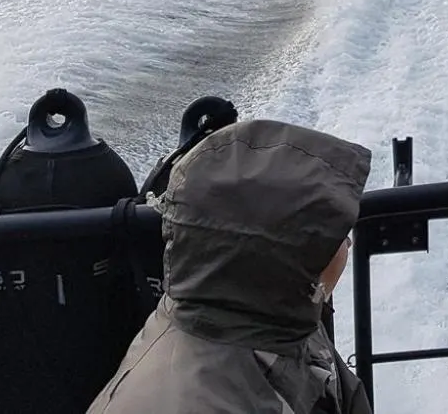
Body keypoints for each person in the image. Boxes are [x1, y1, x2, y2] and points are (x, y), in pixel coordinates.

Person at [87, 118, 373, 414]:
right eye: (335, 235)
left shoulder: (272, 316)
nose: (348, 244)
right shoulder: (190, 397)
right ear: (287, 253)